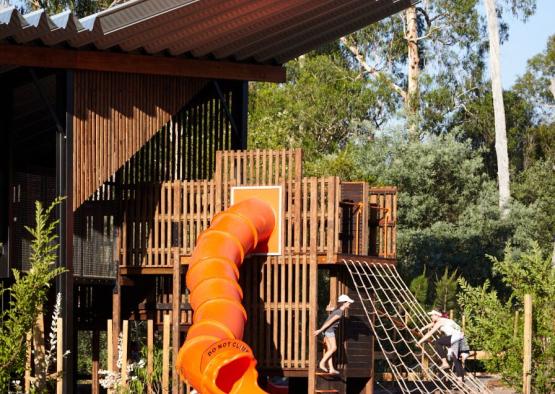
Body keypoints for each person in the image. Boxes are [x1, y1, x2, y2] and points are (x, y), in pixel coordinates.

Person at [417, 309, 466, 383]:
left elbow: (430, 333)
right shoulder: (445, 320)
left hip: (455, 337)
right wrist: (423, 328)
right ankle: (460, 378)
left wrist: (419, 342)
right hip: (461, 338)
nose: (431, 317)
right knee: (455, 358)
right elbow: (432, 324)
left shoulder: (440, 322)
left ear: (437, 315)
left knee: (438, 342)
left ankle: (444, 362)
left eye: (432, 315)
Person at [313, 294, 354, 374]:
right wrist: (320, 330)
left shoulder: (337, 309)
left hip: (327, 331)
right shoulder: (339, 313)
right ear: (344, 303)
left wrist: (328, 308)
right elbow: (329, 322)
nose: (350, 304)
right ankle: (321, 363)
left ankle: (331, 368)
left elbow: (328, 308)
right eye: (349, 302)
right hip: (329, 331)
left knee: (330, 349)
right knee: (334, 348)